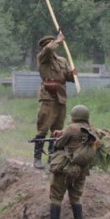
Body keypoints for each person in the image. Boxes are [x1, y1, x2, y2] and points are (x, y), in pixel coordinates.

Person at [38, 105, 93, 219]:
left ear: (74, 116)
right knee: (76, 197)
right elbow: (76, 139)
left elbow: (59, 144)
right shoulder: (91, 129)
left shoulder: (71, 128)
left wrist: (60, 136)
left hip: (65, 168)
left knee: (56, 196)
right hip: (81, 170)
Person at [33, 32, 76, 169]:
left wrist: (73, 75)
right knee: (43, 128)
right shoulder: (42, 58)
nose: (51, 47)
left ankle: (52, 157)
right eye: (49, 45)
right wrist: (58, 40)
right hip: (48, 97)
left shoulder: (62, 61)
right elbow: (48, 50)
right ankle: (37, 158)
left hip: (61, 97)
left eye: (52, 43)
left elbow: (68, 77)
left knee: (57, 130)